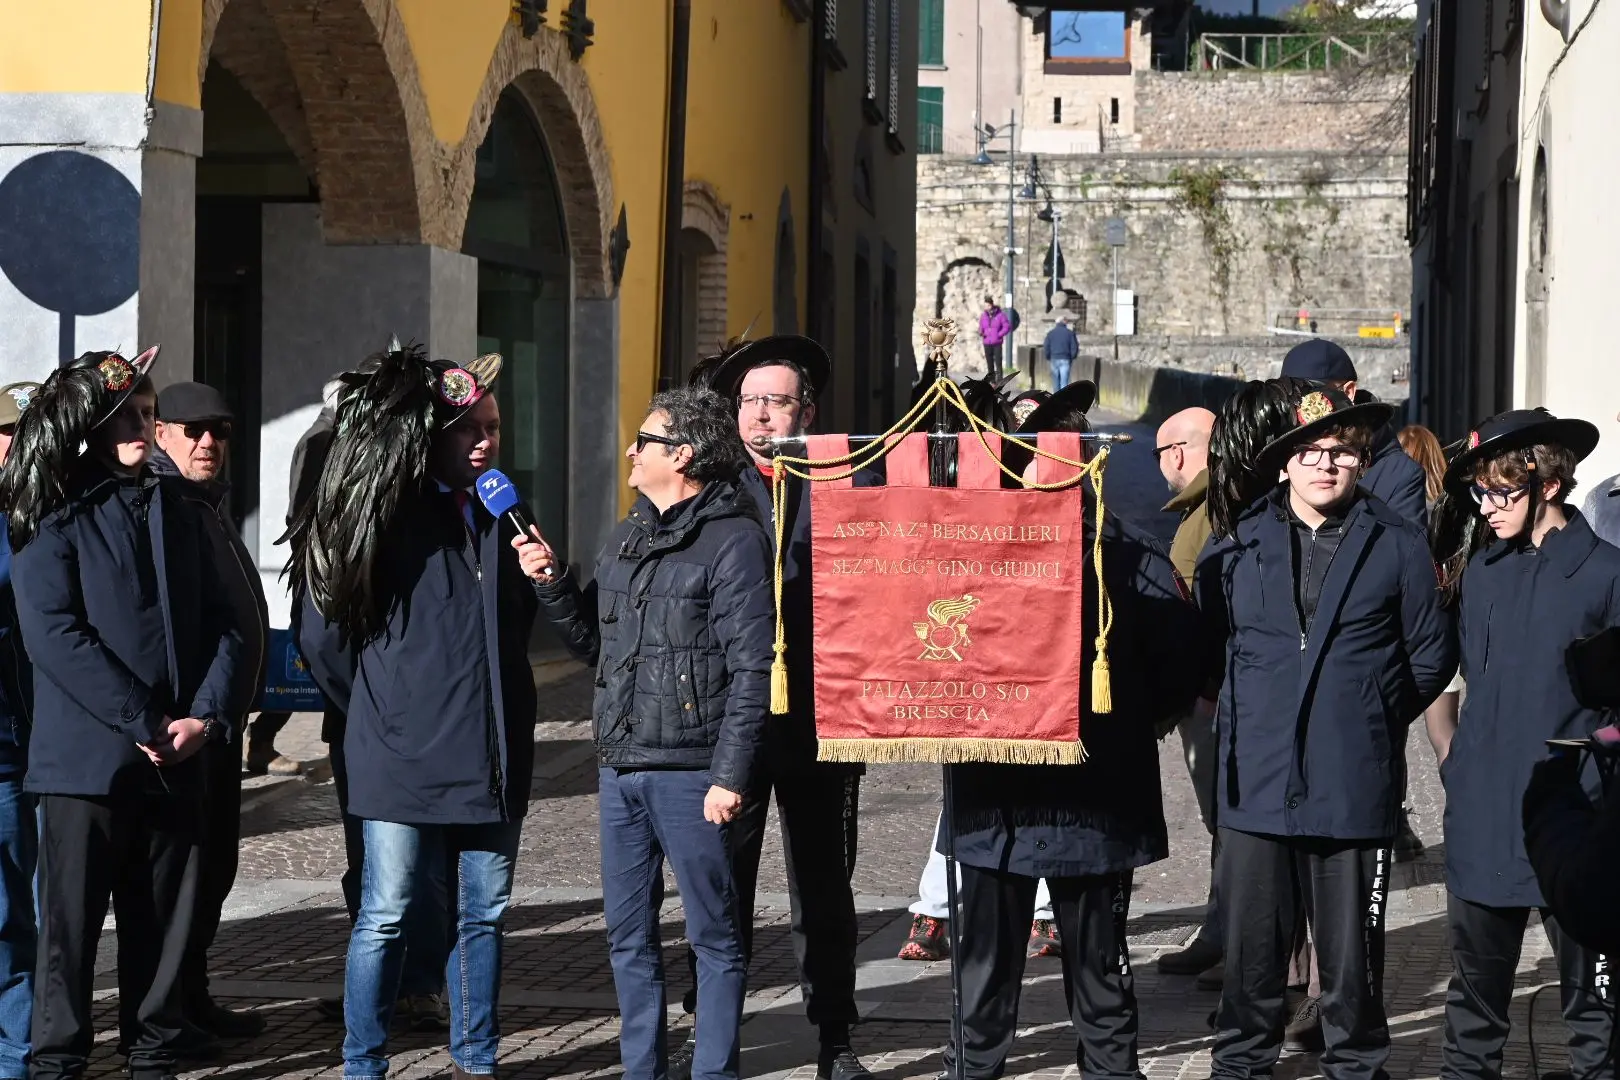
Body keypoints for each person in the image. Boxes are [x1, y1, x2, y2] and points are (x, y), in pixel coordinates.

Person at [940, 381, 1207, 1080]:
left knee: (1097, 970)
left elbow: (1179, 664)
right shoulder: (962, 560)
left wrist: (1118, 727)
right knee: (984, 974)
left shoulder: (1131, 559)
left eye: (1056, 454)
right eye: (1024, 455)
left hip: (1094, 798)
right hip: (992, 795)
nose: (1039, 470)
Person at [290, 345, 535, 1080]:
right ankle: (364, 1061)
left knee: (482, 914)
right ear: (431, 437)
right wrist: (377, 708)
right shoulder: (386, 517)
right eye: (469, 430)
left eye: (492, 427)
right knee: (387, 913)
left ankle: (477, 1057)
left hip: (490, 754)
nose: (485, 442)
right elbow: (322, 637)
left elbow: (522, 623)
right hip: (398, 757)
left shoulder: (503, 511)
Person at [1197, 384, 1455, 1080]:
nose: (1325, 464)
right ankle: (1242, 1066)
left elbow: (1430, 653)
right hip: (1257, 786)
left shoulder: (1396, 544)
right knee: (1252, 962)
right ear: (1284, 465)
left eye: (1340, 452)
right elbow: (1211, 648)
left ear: (1361, 462)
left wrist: (1368, 712)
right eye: (1309, 452)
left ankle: (1356, 1068)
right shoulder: (1237, 547)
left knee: (1350, 968)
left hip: (1351, 784)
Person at [1, 349, 245, 1080]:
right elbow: (55, 635)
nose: (145, 425)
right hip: (85, 765)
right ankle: (58, 1062)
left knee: (164, 933)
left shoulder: (180, 509)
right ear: (92, 424)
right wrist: (144, 720)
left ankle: (155, 1054)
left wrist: (204, 717)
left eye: (148, 413)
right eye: (130, 415)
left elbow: (229, 623)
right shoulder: (53, 511)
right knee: (68, 938)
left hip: (178, 760)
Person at [530, 386, 774, 1080]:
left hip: (694, 772)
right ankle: (643, 1069)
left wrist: (730, 777)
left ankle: (713, 1071)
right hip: (621, 767)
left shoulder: (735, 540)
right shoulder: (626, 535)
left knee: (713, 936)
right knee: (627, 937)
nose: (632, 451)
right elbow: (596, 649)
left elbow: (752, 670)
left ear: (685, 455)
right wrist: (552, 583)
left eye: (646, 440)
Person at [670, 338, 874, 1080]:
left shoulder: (844, 482)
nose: (760, 414)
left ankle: (834, 1038)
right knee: (721, 880)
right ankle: (711, 1030)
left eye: (776, 401)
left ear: (806, 412)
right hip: (733, 718)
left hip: (822, 713)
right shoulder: (709, 486)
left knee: (824, 886)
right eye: (750, 401)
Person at [1427, 408, 1616, 1080]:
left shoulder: (1607, 576)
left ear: (1549, 486)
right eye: (1479, 492)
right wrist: (1455, 758)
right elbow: (1455, 674)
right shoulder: (1484, 569)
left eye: (1501, 492)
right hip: (1484, 822)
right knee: (1472, 1019)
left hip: (1578, 828)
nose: (1485, 507)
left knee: (1597, 1021)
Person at [149, 382, 270, 1042]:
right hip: (189, 730)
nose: (208, 443)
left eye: (219, 430)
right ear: (161, 432)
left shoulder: (204, 503)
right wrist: (200, 715)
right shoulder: (168, 504)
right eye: (192, 429)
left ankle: (191, 997)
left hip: (219, 726)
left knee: (212, 871)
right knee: (181, 881)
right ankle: (168, 1014)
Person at [1151, 406, 1224, 988]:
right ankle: (1224, 931)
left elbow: (1206, 613)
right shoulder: (1209, 505)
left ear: (1176, 453)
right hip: (1208, 692)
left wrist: (1203, 690)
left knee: (1230, 823)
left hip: (1214, 697)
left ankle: (1232, 940)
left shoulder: (1212, 509)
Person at [1399, 424, 1465, 838]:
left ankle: (1398, 826)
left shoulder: (1394, 512)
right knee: (1444, 735)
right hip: (1445, 635)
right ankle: (1465, 810)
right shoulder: (1450, 508)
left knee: (1389, 735)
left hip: (1406, 637)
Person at [1278, 338, 1426, 523]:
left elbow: (1405, 548)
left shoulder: (1399, 475)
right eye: (1289, 397)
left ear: (1348, 392)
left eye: (1313, 398)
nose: (1300, 407)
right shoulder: (1272, 459)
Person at [0, 382, 37, 1080]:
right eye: (7, 432)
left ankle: (16, 1054)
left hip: (13, 750)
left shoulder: (36, 514)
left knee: (13, 913)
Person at [1042, 313, 1078, 390]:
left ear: (1057, 323)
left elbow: (1046, 346)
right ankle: (1063, 399)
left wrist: (1048, 356)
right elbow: (1074, 346)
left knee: (1055, 381)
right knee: (1064, 382)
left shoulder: (1050, 333)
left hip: (1054, 358)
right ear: (1065, 323)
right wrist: (1072, 357)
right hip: (1065, 358)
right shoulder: (1070, 333)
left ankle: (1056, 399)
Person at [979, 297, 1012, 380]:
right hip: (987, 342)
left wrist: (999, 334)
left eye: (988, 305)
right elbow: (981, 326)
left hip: (997, 342)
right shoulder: (983, 316)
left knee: (998, 362)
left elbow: (1007, 326)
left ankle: (1000, 380)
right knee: (989, 363)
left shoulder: (1000, 315)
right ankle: (992, 381)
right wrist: (981, 332)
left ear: (991, 305)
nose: (986, 307)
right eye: (985, 305)